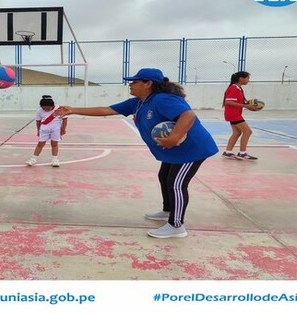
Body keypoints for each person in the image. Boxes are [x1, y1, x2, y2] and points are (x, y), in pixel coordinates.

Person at [56, 68, 218, 238]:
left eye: (134, 82)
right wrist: (73, 110)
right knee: (164, 176)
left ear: (148, 84)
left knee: (176, 184)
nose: (130, 85)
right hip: (174, 150)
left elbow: (188, 115)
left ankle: (176, 225)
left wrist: (174, 137)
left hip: (191, 149)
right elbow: (107, 110)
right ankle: (168, 210)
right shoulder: (139, 102)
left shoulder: (162, 99)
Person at [222, 71, 260, 160]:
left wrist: (250, 106)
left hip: (234, 114)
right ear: (241, 78)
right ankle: (242, 153)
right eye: (247, 78)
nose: (248, 80)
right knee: (248, 131)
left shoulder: (238, 88)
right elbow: (229, 102)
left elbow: (239, 102)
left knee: (237, 132)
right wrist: (246, 106)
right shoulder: (234, 88)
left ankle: (228, 152)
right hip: (233, 115)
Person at [26, 95, 68, 167]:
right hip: (44, 129)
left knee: (54, 144)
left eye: (48, 108)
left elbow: (65, 119)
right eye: (44, 108)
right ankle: (33, 159)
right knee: (40, 144)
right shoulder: (39, 110)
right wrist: (38, 130)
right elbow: (38, 121)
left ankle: (55, 160)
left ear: (52, 105)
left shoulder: (59, 108)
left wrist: (63, 129)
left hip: (56, 129)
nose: (46, 110)